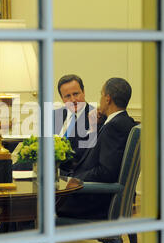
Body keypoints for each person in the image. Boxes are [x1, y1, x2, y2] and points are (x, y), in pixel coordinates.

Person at [56, 77, 136, 220]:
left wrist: (72, 180)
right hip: (90, 194)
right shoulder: (122, 122)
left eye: (101, 94)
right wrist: (98, 123)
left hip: (88, 201)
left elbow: (105, 172)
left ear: (107, 99)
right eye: (67, 96)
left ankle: (9, 239)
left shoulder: (114, 127)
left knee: (29, 206)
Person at [54, 74, 105, 176]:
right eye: (68, 96)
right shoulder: (55, 115)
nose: (73, 100)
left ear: (83, 92)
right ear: (62, 98)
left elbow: (83, 155)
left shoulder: (96, 117)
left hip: (69, 174)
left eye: (76, 94)